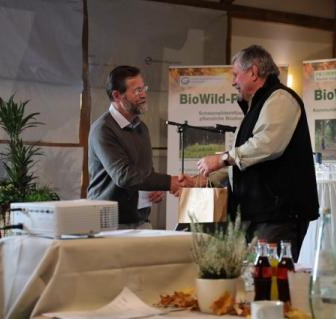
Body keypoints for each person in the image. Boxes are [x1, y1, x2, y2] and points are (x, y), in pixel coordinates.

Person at [196, 45, 319, 260]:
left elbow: (266, 145)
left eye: (236, 75)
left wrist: (223, 159)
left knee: (270, 283)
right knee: (253, 284)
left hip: (278, 216)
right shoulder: (258, 105)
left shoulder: (280, 98)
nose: (233, 82)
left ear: (253, 72)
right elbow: (246, 160)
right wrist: (201, 179)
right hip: (259, 215)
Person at [88, 65, 192, 229]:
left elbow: (144, 173)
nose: (143, 94)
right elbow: (124, 176)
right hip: (110, 225)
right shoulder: (103, 129)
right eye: (137, 91)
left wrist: (153, 190)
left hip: (141, 221)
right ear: (117, 96)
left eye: (143, 88)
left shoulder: (141, 127)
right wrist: (168, 182)